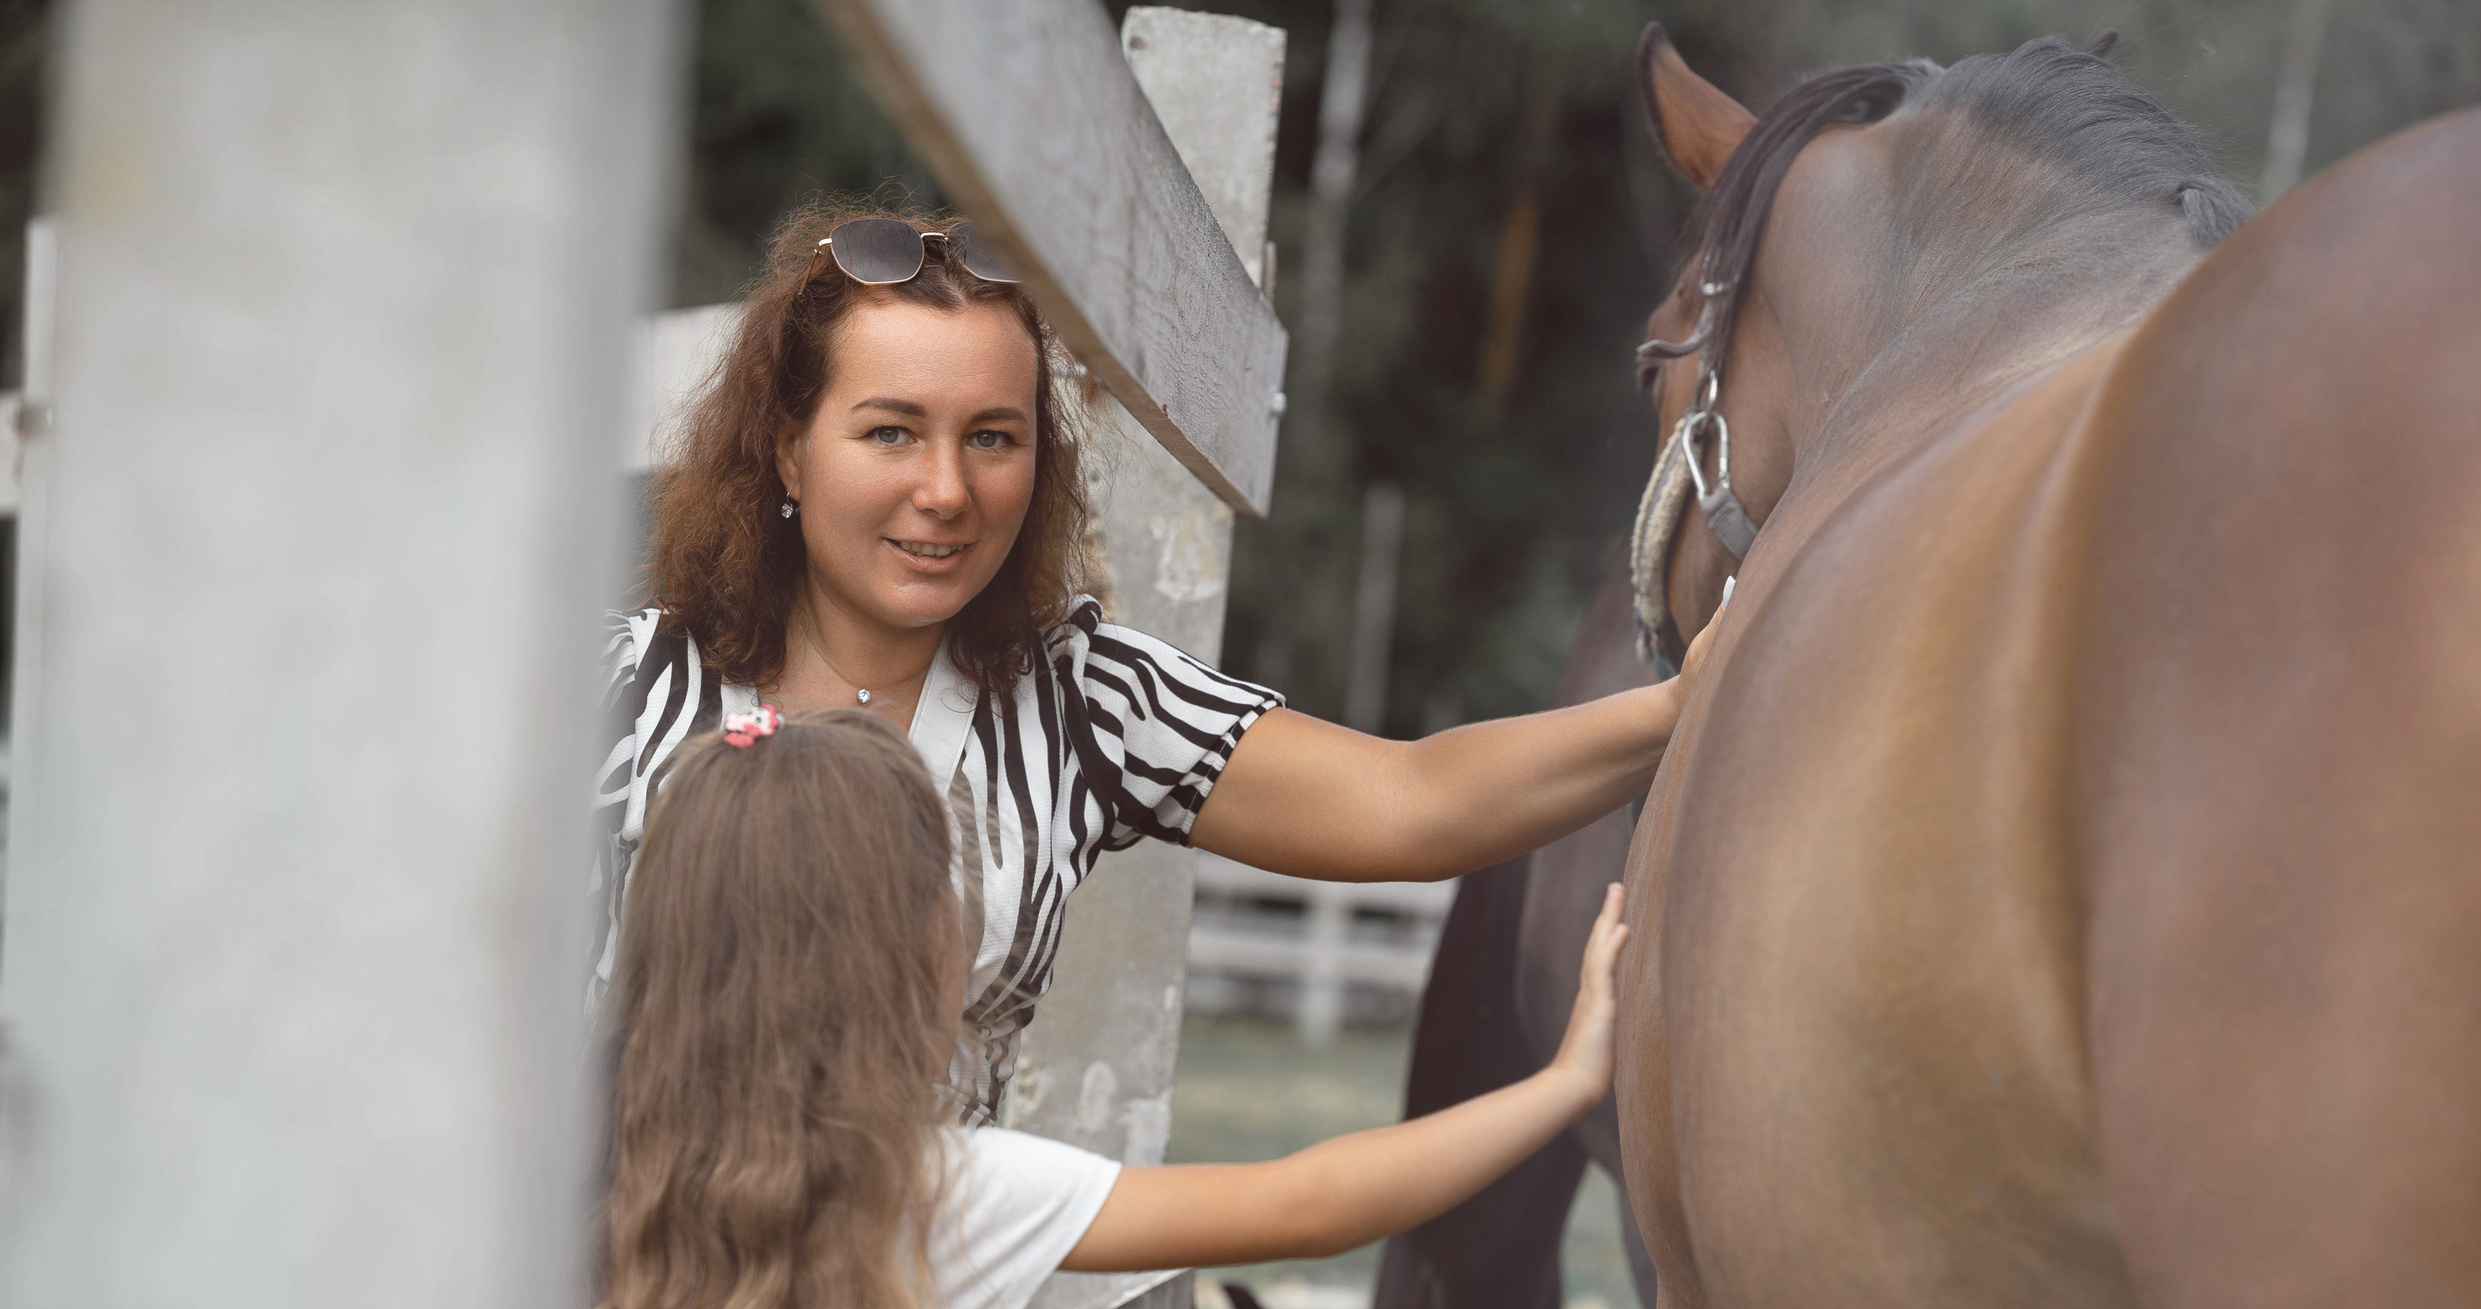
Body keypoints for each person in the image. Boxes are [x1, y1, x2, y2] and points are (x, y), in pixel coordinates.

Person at [542, 708, 1629, 1309]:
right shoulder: (935, 1194)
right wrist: (1562, 1086)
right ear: (915, 955)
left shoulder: (571, 1173)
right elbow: (1308, 1202)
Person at [594, 196, 1707, 1126]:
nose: (946, 490)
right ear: (789, 450)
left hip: (912, 1307)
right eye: (891, 431)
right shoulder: (613, 692)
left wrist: (1691, 696)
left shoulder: (1083, 701)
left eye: (993, 437)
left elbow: (1410, 803)